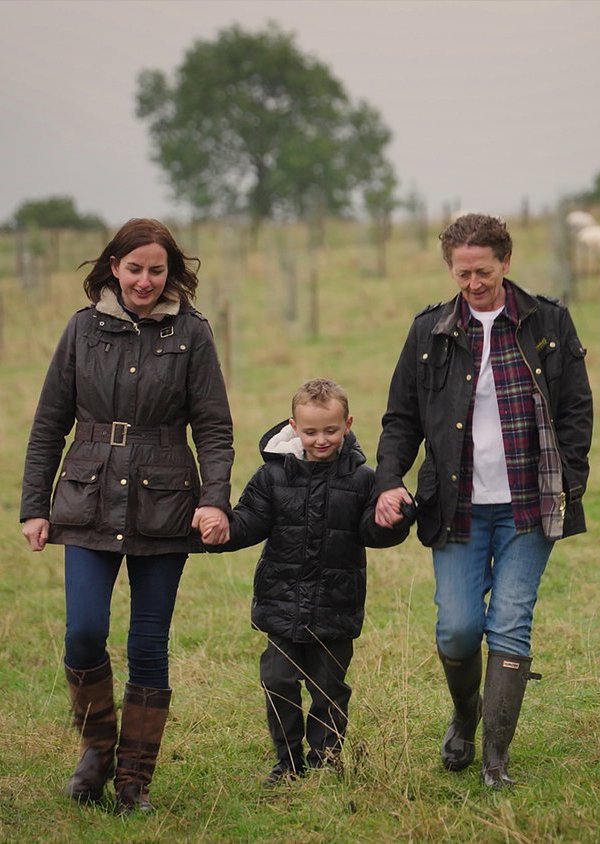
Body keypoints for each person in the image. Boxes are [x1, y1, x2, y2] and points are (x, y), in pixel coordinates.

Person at [20, 218, 234, 813]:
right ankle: (95, 752)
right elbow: (49, 423)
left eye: (156, 270)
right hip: (86, 498)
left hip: (165, 504)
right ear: (113, 267)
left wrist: (214, 498)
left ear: (170, 272)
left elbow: (214, 427)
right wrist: (35, 507)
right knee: (84, 632)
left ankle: (134, 780)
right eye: (134, 268)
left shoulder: (193, 333)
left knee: (148, 644)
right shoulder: (82, 329)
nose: (144, 280)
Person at [374, 213, 592, 788]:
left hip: (530, 504)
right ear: (450, 268)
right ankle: (466, 715)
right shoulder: (430, 331)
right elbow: (401, 417)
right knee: (458, 628)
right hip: (456, 507)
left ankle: (496, 757)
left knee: (511, 622)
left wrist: (571, 477)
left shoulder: (549, 321)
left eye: (484, 272)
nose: (474, 283)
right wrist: (388, 479)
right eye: (463, 273)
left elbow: (576, 408)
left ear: (506, 262)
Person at [204, 378, 414, 785]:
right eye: (311, 431)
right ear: (294, 427)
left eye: (331, 430)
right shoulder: (272, 476)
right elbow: (249, 522)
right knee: (277, 680)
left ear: (347, 425)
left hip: (336, 605)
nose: (321, 440)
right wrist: (221, 531)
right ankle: (288, 762)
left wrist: (395, 520)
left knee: (329, 687)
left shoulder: (363, 479)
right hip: (282, 602)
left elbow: (372, 532)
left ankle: (325, 760)